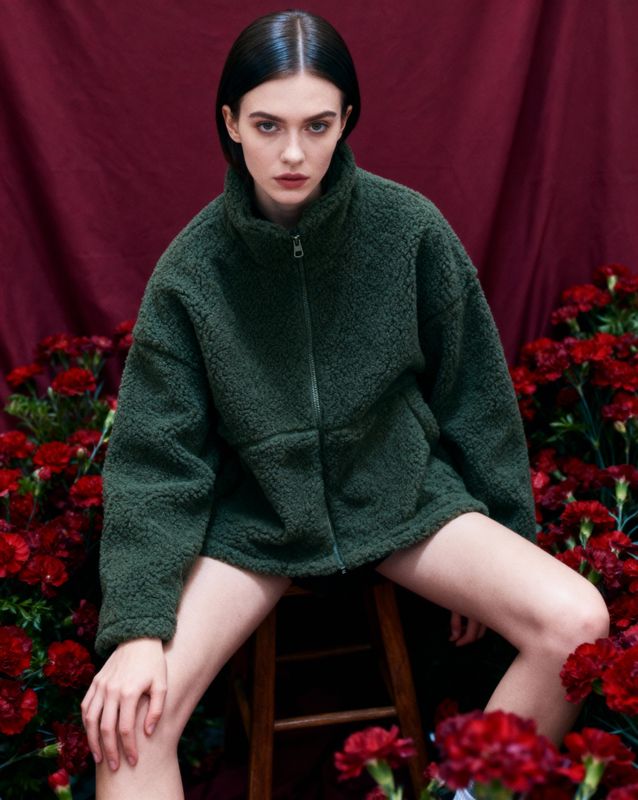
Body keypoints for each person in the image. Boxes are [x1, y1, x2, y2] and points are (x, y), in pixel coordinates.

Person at [80, 9, 610, 800]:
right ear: (230, 123)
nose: (293, 153)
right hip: (255, 520)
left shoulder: (409, 232)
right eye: (267, 124)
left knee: (577, 622)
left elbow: (476, 397)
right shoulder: (191, 275)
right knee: (133, 720)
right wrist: (136, 629)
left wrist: (499, 536)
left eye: (316, 124)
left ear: (346, 121)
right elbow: (158, 461)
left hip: (399, 494)